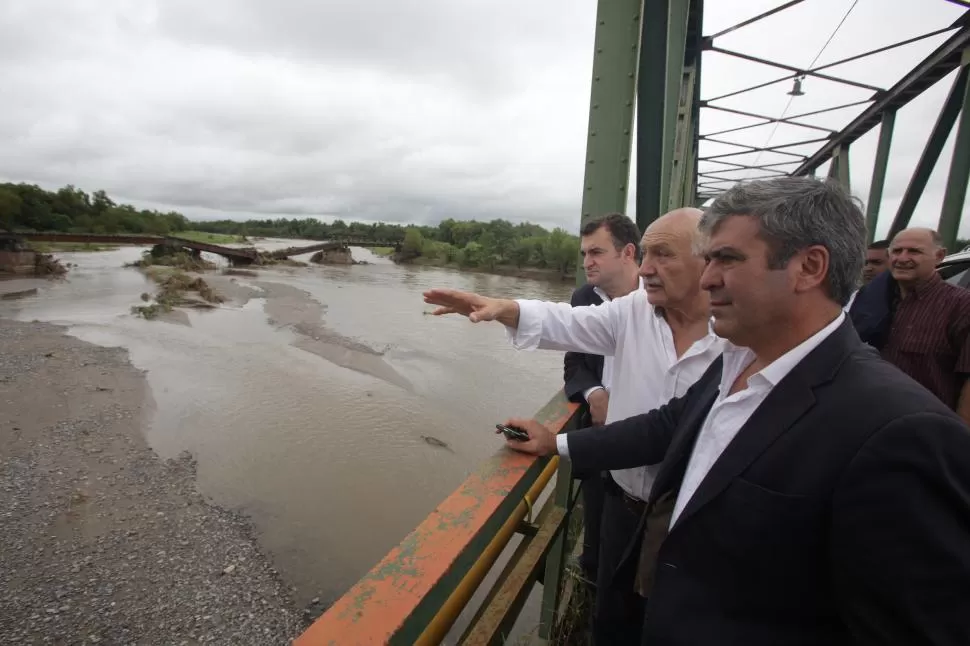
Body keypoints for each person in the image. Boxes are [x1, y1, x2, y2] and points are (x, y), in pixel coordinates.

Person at [493, 177, 970, 645]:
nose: (706, 278)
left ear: (809, 267)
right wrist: (555, 443)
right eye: (707, 258)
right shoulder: (737, 364)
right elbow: (664, 427)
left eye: (726, 259)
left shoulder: (903, 433)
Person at [423, 208, 724, 645]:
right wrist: (504, 308)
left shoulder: (741, 331)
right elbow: (569, 324)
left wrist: (560, 444)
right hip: (623, 505)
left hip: (691, 520)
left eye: (663, 255)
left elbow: (665, 430)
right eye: (644, 255)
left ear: (709, 261)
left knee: (675, 627)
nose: (645, 269)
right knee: (612, 619)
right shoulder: (633, 311)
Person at [563, 212, 642, 587]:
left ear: (628, 253)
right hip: (599, 435)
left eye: (596, 252)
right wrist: (594, 393)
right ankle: (593, 597)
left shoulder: (659, 294)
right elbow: (574, 362)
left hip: (647, 439)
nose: (586, 262)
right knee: (597, 533)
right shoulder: (583, 297)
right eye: (583, 253)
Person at [881, 227, 970, 423]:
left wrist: (961, 442)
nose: (902, 258)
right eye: (896, 251)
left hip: (931, 433)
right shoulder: (876, 302)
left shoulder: (962, 306)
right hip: (876, 425)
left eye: (914, 251)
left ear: (939, 256)